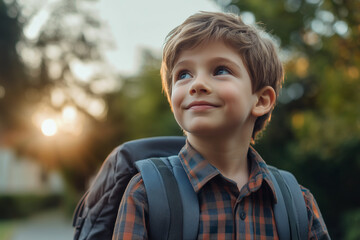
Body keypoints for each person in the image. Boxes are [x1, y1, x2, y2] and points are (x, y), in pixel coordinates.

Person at [112, 11, 330, 239]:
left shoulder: (298, 204)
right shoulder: (145, 193)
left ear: (262, 100)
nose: (197, 84)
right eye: (184, 74)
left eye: (221, 70)